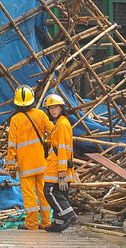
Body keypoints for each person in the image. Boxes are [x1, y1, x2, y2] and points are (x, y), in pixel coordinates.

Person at [6, 85, 53, 230]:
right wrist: (47, 144)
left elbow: (12, 145)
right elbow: (52, 132)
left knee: (29, 195)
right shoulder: (41, 115)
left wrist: (11, 166)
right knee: (44, 194)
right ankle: (46, 222)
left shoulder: (15, 119)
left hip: (26, 165)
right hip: (41, 163)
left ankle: (31, 224)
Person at [42, 92, 78, 233]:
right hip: (58, 166)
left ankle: (69, 214)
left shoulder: (62, 124)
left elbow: (62, 148)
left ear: (61, 108)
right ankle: (58, 223)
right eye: (51, 108)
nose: (53, 110)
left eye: (56, 107)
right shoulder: (59, 124)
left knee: (50, 192)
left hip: (58, 168)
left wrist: (62, 169)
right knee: (61, 194)